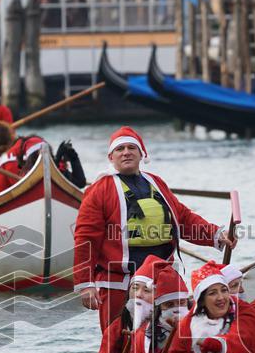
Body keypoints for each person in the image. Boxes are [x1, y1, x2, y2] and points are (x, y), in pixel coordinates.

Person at [74, 126, 235, 330]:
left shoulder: (156, 183)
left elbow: (183, 218)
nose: (126, 152)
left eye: (131, 148)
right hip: (119, 281)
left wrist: (216, 234)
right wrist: (85, 284)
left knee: (170, 333)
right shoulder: (99, 190)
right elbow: (86, 238)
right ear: (111, 157)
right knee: (117, 338)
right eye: (120, 149)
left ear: (142, 154)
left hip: (161, 278)